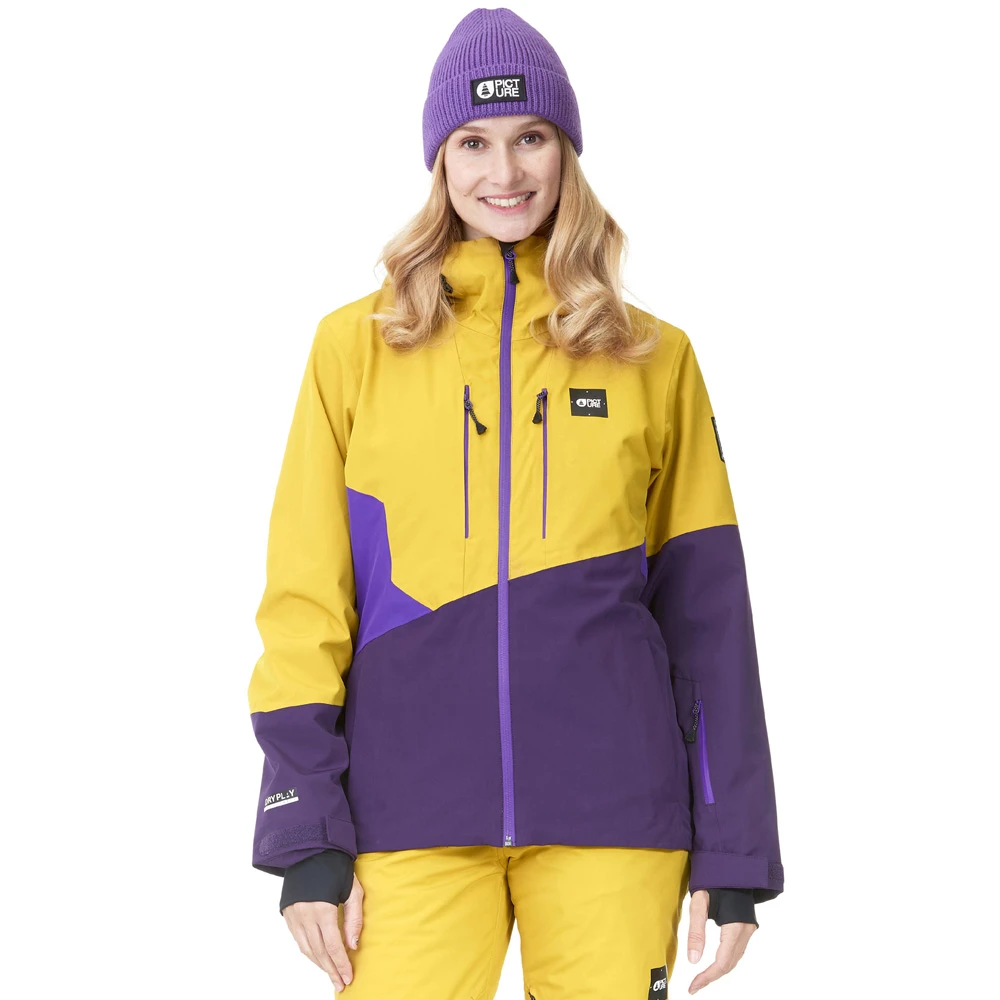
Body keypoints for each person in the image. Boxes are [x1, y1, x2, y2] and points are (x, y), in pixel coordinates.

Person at [247, 8, 783, 997]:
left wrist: (736, 845)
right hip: (404, 813)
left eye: (531, 137)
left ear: (566, 150)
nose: (505, 171)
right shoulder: (353, 349)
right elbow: (305, 600)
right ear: (439, 161)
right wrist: (303, 823)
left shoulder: (654, 358)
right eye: (474, 142)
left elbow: (709, 616)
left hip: (615, 816)